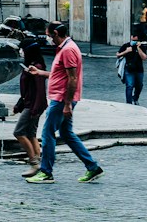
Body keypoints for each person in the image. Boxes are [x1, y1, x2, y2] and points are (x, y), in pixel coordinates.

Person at [25, 21, 103, 185]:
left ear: (55, 33)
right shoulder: (66, 48)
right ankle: (92, 166)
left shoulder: (68, 50)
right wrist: (39, 72)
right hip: (63, 98)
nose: (47, 38)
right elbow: (59, 74)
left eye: (48, 35)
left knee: (47, 133)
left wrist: (67, 104)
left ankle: (46, 172)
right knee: (67, 134)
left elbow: (72, 79)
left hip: (61, 99)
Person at [0, 18, 49, 169]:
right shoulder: (31, 66)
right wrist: (19, 104)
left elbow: (40, 90)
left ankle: (33, 161)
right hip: (31, 104)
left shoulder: (36, 67)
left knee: (19, 132)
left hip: (33, 105)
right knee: (31, 134)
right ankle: (39, 162)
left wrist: (35, 108)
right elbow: (28, 90)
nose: (21, 52)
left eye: (22, 50)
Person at [116, 36, 147, 106]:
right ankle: (129, 103)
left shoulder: (142, 47)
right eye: (133, 40)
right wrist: (126, 51)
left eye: (136, 40)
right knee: (129, 86)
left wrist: (138, 48)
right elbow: (118, 54)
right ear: (131, 38)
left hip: (139, 69)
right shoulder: (126, 45)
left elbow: (144, 57)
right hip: (129, 69)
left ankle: (135, 98)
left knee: (139, 85)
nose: (134, 41)